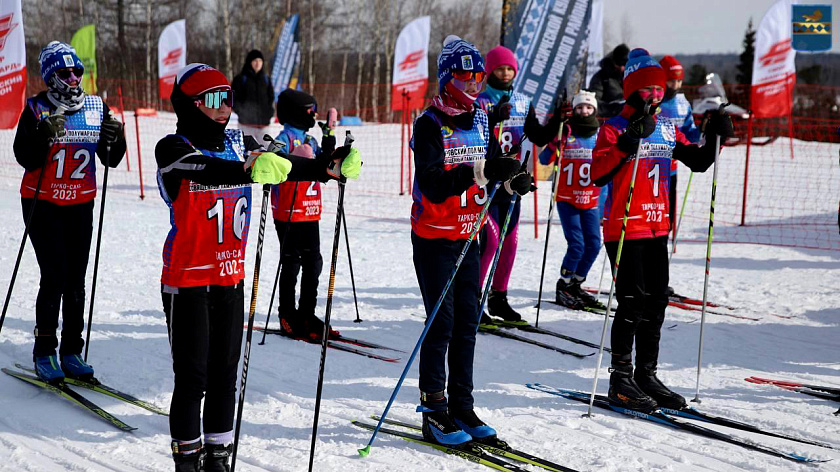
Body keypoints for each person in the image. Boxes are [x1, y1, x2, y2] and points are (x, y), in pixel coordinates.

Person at [155, 63, 360, 472]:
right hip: (187, 281)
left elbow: (284, 163)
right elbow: (199, 167)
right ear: (190, 104)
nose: (223, 108)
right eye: (213, 100)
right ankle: (188, 462)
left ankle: (217, 458)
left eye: (228, 99)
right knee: (192, 379)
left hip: (229, 279)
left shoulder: (236, 141)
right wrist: (246, 169)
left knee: (224, 379)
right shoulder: (173, 146)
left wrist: (327, 168)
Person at [591, 49, 733, 412]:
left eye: (658, 90)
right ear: (631, 91)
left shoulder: (668, 125)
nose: (655, 96)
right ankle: (619, 379)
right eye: (647, 90)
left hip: (657, 225)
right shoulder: (613, 126)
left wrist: (716, 137)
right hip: (624, 226)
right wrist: (625, 144)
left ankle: (646, 373)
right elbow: (598, 174)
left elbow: (698, 161)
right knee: (631, 302)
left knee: (656, 302)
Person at [411, 36, 529, 446]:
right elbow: (432, 183)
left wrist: (513, 179)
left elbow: (498, 162)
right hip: (436, 237)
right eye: (466, 77)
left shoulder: (481, 116)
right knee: (440, 324)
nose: (475, 85)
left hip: (470, 235)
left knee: (467, 322)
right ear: (447, 78)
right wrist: (480, 172)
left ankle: (462, 405)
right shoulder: (429, 123)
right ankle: (434, 410)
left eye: (479, 77)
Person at [13, 41, 126, 383]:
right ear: (51, 76)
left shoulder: (95, 105)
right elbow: (25, 158)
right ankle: (45, 349)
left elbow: (112, 158)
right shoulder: (35, 108)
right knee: (55, 274)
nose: (75, 78)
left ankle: (72, 350)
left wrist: (114, 137)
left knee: (76, 278)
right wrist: (40, 135)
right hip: (42, 201)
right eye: (66, 73)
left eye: (78, 71)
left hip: (80, 203)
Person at [474, 45, 564, 324]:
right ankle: (473, 300)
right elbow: (472, 136)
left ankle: (499, 298)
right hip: (485, 182)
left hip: (512, 183)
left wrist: (557, 119)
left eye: (510, 68)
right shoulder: (480, 101)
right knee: (490, 242)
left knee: (510, 242)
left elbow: (538, 137)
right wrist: (491, 118)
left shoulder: (523, 102)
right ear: (490, 70)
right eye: (500, 68)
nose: (505, 73)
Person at [270, 88, 334, 341]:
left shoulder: (312, 140)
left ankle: (307, 312)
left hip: (309, 209)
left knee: (313, 262)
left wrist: (329, 140)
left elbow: (324, 166)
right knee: (292, 262)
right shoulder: (283, 137)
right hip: (287, 212)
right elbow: (271, 161)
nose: (314, 115)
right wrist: (289, 158)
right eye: (310, 111)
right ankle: (287, 313)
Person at [538, 90, 604, 310]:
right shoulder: (565, 131)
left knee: (594, 245)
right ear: (574, 110)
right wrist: (555, 142)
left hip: (591, 199)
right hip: (567, 198)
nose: (584, 111)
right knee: (577, 245)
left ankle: (576, 283)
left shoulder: (600, 134)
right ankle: (564, 284)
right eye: (580, 107)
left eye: (588, 107)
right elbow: (544, 160)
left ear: (594, 110)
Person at [657, 55, 701, 240]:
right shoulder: (655, 100)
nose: (675, 85)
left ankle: (665, 236)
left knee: (670, 208)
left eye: (679, 81)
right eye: (671, 81)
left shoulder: (683, 103)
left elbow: (689, 132)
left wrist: (702, 131)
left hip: (673, 166)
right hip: (651, 163)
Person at [231, 49, 275, 141]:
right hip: (246, 125)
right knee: (248, 152)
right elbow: (233, 98)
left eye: (260, 61)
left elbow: (271, 98)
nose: (257, 63)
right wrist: (241, 112)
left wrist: (269, 112)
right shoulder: (241, 78)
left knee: (266, 152)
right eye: (255, 61)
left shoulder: (266, 79)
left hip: (264, 125)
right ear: (249, 62)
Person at [589, 44, 630, 118]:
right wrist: (615, 108)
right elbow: (593, 102)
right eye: (618, 64)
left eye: (624, 65)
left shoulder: (632, 76)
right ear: (613, 62)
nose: (621, 68)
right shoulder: (601, 77)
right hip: (608, 119)